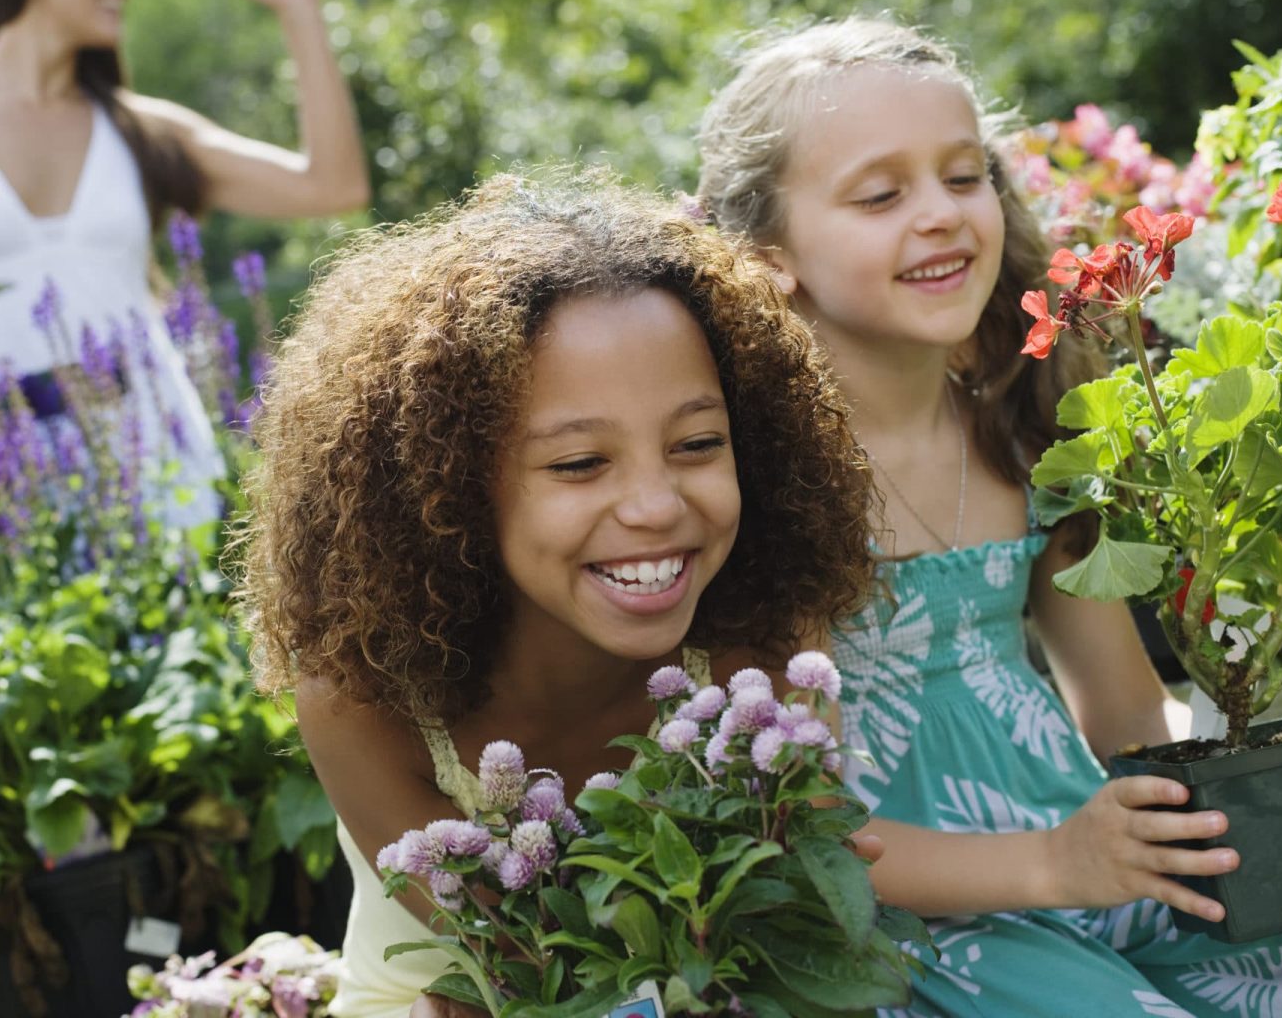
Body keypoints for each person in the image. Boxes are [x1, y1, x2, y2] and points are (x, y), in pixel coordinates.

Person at [697, 17, 1282, 1015]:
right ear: (768, 255)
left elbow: (1125, 713)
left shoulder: (1020, 429)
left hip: (1085, 867)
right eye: (881, 195)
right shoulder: (761, 484)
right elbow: (801, 834)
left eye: (964, 176)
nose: (939, 214)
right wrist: (1057, 867)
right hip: (908, 922)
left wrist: (1210, 822)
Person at [238, 168, 879, 1018]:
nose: (656, 507)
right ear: (450, 488)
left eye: (696, 444)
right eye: (579, 463)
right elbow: (517, 977)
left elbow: (797, 927)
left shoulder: (761, 636)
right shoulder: (362, 687)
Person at [0, 0, 368, 523]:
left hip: (155, 456)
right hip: (0, 476)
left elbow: (332, 186)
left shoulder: (142, 130)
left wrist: (297, 8)